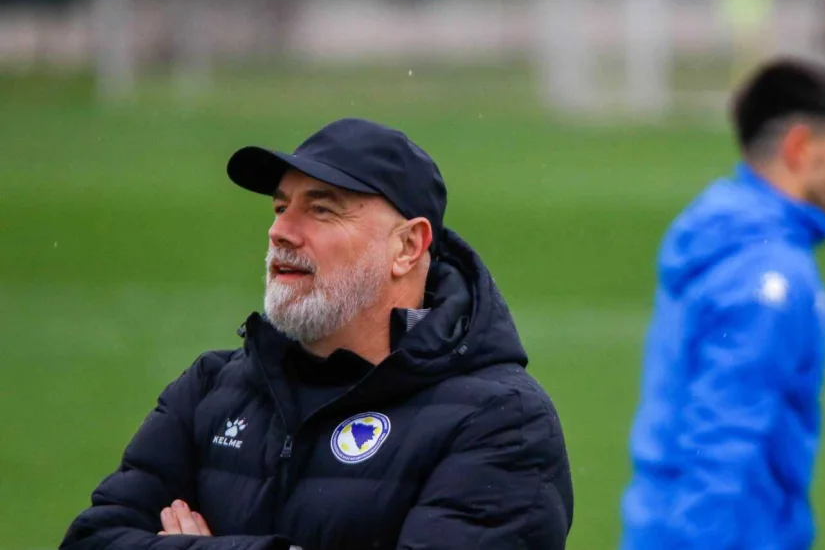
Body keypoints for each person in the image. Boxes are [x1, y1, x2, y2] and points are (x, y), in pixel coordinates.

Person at [60, 118, 574, 550]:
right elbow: (92, 538)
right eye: (281, 207)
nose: (280, 231)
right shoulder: (211, 390)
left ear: (408, 247)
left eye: (322, 209)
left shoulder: (501, 421)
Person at [620, 58, 825, 550]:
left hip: (660, 526)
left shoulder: (722, 234)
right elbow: (721, 447)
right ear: (800, 148)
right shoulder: (768, 275)